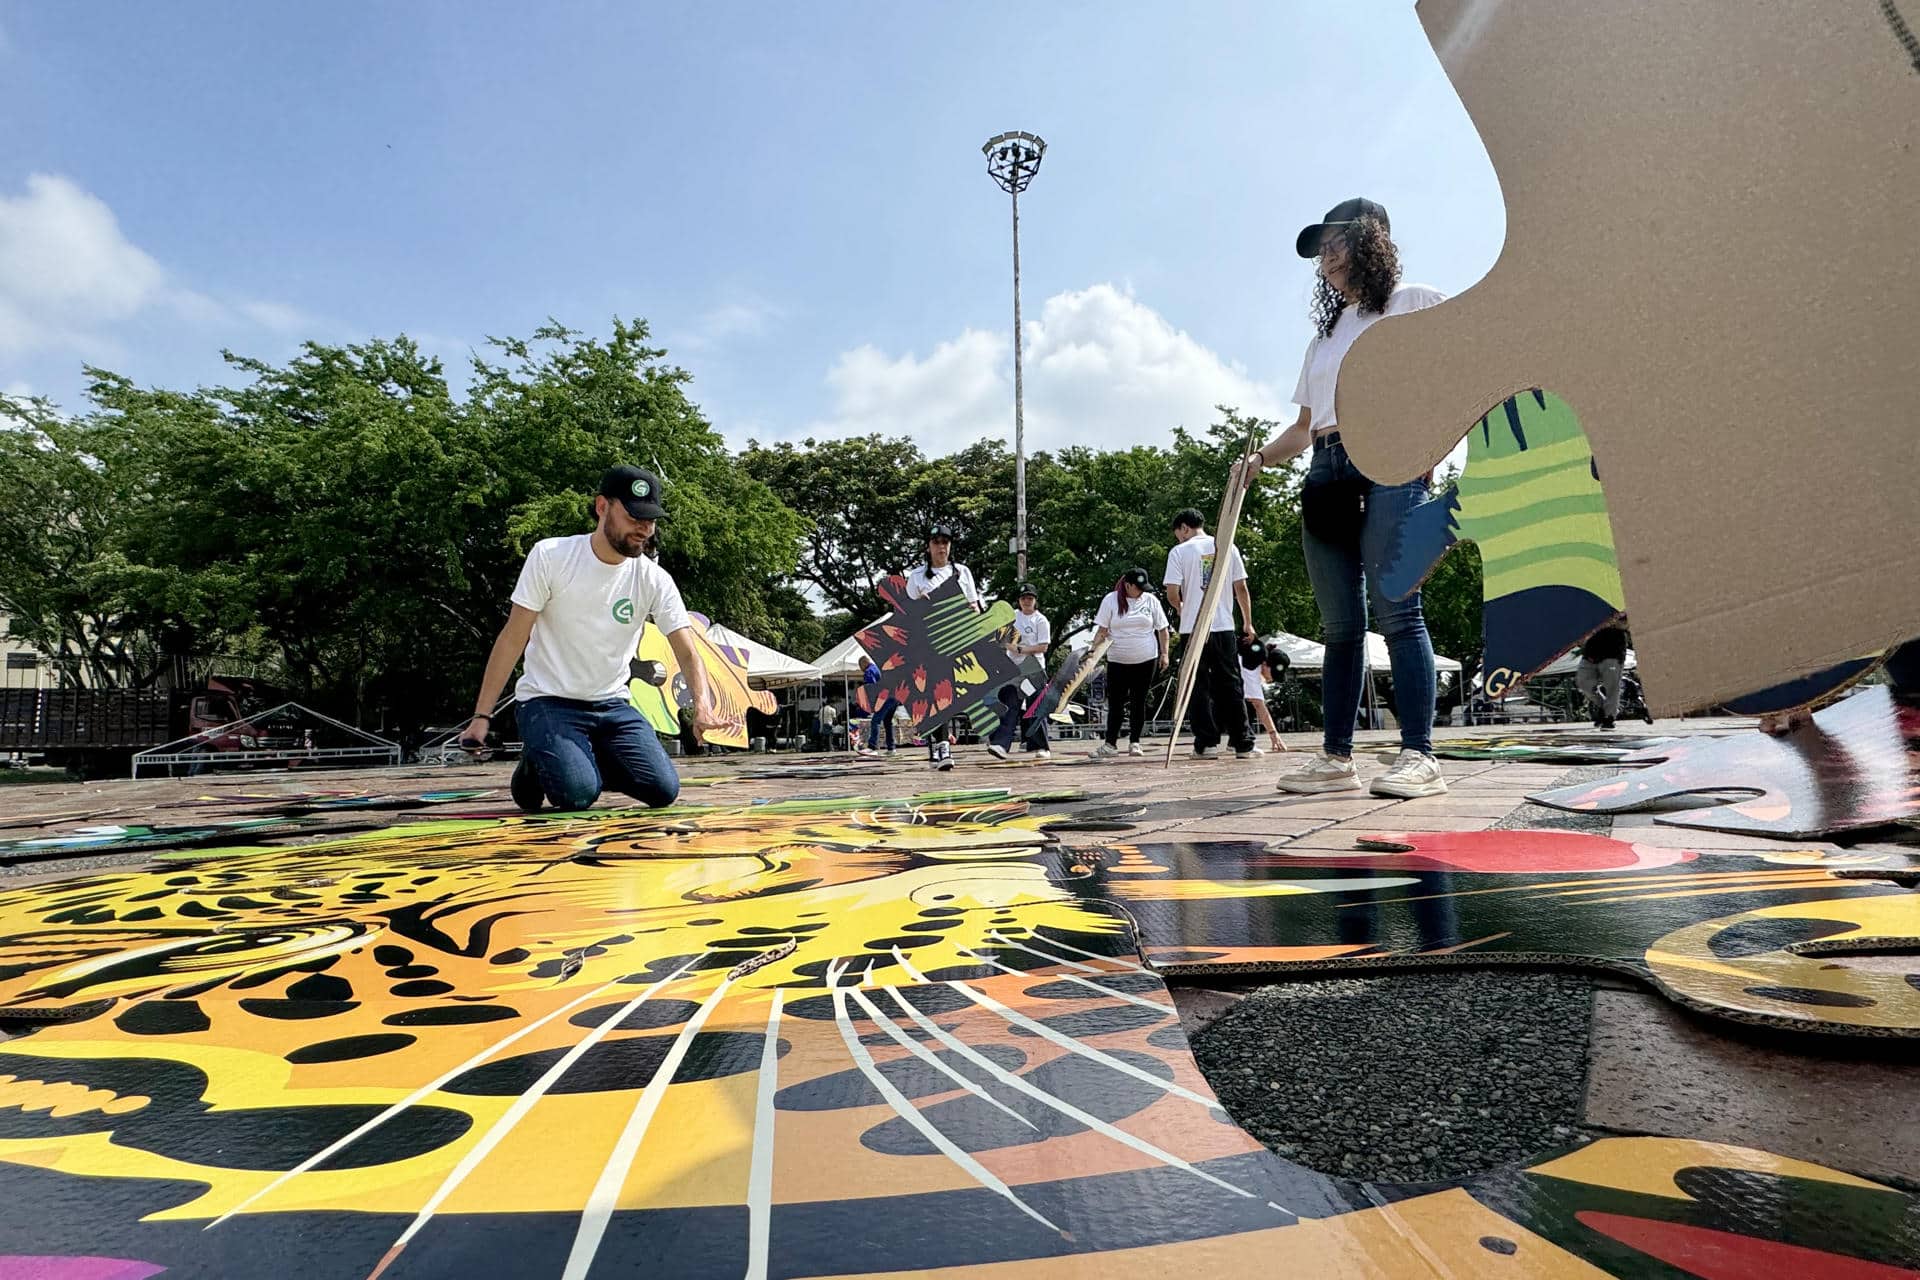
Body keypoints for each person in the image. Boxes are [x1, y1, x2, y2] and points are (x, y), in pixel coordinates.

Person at [1244, 198, 1448, 798]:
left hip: (1390, 461)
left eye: (1336, 244)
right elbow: (1306, 425)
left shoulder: (1414, 301)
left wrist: (1430, 450)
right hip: (1326, 468)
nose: (1326, 259)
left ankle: (1420, 755)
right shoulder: (1324, 336)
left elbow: (1455, 377)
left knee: (1398, 609)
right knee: (1340, 626)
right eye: (1321, 251)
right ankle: (1336, 759)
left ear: (1372, 241)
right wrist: (1258, 460)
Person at [461, 465, 735, 811]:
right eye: (635, 516)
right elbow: (513, 637)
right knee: (577, 794)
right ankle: (538, 760)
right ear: (602, 507)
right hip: (549, 700)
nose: (644, 528)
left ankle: (563, 756)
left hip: (611, 704)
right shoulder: (552, 556)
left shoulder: (654, 579)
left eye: (651, 519)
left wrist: (703, 707)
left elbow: (687, 650)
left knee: (663, 789)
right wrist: (481, 716)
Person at [1164, 508, 1258, 759]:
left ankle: (1206, 743)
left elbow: (1172, 592)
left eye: (1178, 534)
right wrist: (1248, 622)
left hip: (1193, 628)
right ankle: (1243, 743)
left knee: (1197, 686)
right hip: (1224, 625)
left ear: (1184, 528)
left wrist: (1182, 608)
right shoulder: (1228, 546)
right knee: (1231, 683)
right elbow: (1241, 588)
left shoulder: (1179, 552)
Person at [904, 524, 982, 771]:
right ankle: (940, 744)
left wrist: (973, 614)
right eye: (936, 542)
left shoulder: (961, 572)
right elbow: (907, 612)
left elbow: (975, 606)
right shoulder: (917, 576)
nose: (941, 547)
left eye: (945, 542)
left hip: (956, 638)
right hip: (928, 641)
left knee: (949, 693)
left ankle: (941, 743)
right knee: (935, 692)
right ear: (928, 546)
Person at [1088, 569, 1171, 758]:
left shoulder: (1151, 601)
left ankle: (1135, 742)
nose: (1141, 591)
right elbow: (1102, 630)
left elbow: (1163, 629)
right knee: (1116, 703)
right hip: (1117, 659)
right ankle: (1110, 743)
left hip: (1146, 658)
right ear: (1127, 585)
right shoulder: (1111, 600)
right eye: (1138, 588)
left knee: (1138, 700)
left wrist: (1165, 654)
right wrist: (1092, 652)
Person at [989, 582, 1053, 760]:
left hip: (1034, 669)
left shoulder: (1040, 620)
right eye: (1024, 598)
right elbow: (1001, 639)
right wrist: (1011, 647)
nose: (1027, 601)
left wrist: (1021, 649)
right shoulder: (1012, 617)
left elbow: (1043, 646)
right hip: (1013, 670)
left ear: (1035, 601)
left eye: (1030, 598)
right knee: (1009, 706)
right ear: (1019, 600)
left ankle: (1041, 746)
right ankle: (1001, 744)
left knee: (1035, 706)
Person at [1577, 624, 1630, 729]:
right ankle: (1603, 707)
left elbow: (1627, 624)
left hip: (1612, 653)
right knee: (1583, 683)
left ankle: (1609, 717)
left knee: (1612, 687)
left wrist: (1613, 622)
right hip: (1590, 653)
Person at [1243, 644, 1287, 754]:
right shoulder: (1252, 670)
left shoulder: (1253, 659)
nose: (1272, 679)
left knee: (1247, 704)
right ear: (1265, 664)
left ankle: (1236, 740)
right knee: (1247, 706)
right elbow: (1259, 705)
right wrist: (1274, 735)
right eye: (1274, 674)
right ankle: (1243, 742)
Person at [857, 656, 901, 756]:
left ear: (864, 663)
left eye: (860, 665)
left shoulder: (869, 671)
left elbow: (872, 688)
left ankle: (872, 747)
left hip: (884, 698)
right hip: (895, 697)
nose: (860, 668)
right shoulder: (878, 668)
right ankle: (891, 748)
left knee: (875, 721)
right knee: (887, 722)